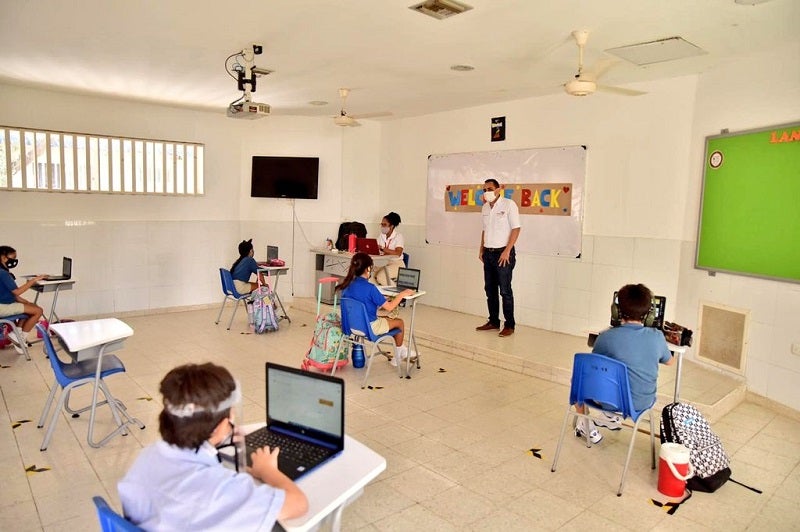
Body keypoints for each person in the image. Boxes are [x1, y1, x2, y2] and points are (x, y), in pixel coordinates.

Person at [118, 362, 308, 530]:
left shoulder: (148, 456)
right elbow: (298, 504)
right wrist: (267, 470)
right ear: (218, 428)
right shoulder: (219, 491)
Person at [576, 283, 674, 444]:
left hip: (608, 401)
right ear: (649, 315)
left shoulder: (605, 337)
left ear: (616, 310)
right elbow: (670, 362)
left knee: (579, 379)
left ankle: (584, 423)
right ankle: (610, 417)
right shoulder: (657, 337)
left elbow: (594, 368)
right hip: (640, 403)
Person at [336, 252, 414, 366]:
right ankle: (399, 354)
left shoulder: (347, 285)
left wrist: (381, 300)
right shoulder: (371, 288)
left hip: (352, 326)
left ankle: (401, 351)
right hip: (370, 328)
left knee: (388, 320)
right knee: (399, 323)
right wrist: (402, 294)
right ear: (368, 268)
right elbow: (390, 308)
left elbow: (361, 304)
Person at [475, 179, 521, 337]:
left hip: (503, 254)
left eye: (489, 189)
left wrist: (507, 251)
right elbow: (484, 230)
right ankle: (493, 321)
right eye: (484, 189)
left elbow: (516, 229)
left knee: (505, 291)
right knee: (490, 289)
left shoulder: (509, 205)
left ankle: (509, 325)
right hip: (488, 253)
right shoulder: (485, 208)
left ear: (498, 190)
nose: (486, 192)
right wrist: (481, 249)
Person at [0, 246, 46, 353]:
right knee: (38, 311)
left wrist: (27, 303)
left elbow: (12, 295)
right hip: (2, 307)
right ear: (2, 257)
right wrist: (33, 281)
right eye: (12, 257)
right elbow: (16, 292)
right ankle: (19, 338)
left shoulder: (3, 271)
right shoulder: (3, 273)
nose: (14, 260)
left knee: (31, 308)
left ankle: (17, 334)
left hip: (5, 304)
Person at [373, 212, 405, 286]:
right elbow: (376, 248)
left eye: (384, 225)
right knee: (369, 275)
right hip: (384, 263)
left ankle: (398, 295)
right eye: (381, 224)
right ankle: (380, 295)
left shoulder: (398, 236)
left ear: (392, 226)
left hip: (397, 264)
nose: (382, 226)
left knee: (381, 277)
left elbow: (398, 253)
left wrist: (382, 248)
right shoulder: (381, 236)